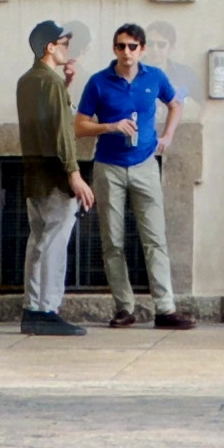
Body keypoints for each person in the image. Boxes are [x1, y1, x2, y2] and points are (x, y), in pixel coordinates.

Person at [82, 22, 192, 330]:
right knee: (113, 241)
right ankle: (123, 307)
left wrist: (167, 136)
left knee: (154, 238)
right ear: (114, 49)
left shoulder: (154, 77)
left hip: (145, 165)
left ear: (141, 49)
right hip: (108, 167)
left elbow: (175, 103)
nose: (126, 52)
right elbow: (79, 126)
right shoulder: (99, 82)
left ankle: (165, 308)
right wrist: (111, 126)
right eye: (120, 46)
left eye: (132, 46)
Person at [13, 19, 92, 336]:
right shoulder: (50, 83)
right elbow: (60, 132)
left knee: (39, 241)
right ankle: (45, 309)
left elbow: (46, 119)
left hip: (34, 171)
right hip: (55, 174)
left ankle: (34, 307)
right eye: (64, 44)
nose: (67, 49)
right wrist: (74, 174)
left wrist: (65, 85)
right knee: (54, 243)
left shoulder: (28, 80)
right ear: (50, 47)